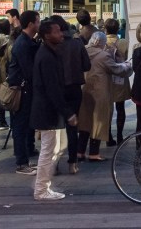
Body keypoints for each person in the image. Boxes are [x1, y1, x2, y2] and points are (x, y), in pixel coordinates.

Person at [31, 20, 78, 201]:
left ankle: (43, 187)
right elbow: (52, 89)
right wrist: (68, 113)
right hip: (46, 111)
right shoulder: (46, 56)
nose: (61, 34)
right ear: (47, 35)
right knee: (47, 151)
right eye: (57, 32)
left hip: (48, 110)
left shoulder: (49, 53)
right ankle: (41, 189)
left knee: (52, 149)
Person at [77, 31, 132, 161]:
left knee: (84, 121)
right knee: (98, 122)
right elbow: (118, 70)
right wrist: (128, 65)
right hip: (99, 92)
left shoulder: (83, 51)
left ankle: (80, 151)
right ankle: (94, 153)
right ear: (101, 43)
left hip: (84, 90)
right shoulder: (104, 56)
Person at [51, 15, 91, 174]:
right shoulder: (77, 43)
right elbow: (87, 65)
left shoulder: (51, 46)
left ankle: (54, 163)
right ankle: (72, 162)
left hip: (56, 89)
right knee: (72, 126)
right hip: (74, 88)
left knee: (54, 127)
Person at [7, 10, 41, 175]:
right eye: (38, 21)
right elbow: (28, 70)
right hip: (22, 91)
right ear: (30, 24)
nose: (39, 24)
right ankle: (21, 163)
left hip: (26, 90)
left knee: (24, 126)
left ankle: (24, 160)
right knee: (20, 126)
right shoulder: (23, 44)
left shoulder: (28, 41)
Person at [104, 18, 132, 146]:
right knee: (120, 107)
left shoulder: (102, 42)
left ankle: (108, 135)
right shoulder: (123, 42)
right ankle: (120, 135)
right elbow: (126, 58)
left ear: (105, 29)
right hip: (120, 76)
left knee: (107, 108)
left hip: (106, 77)